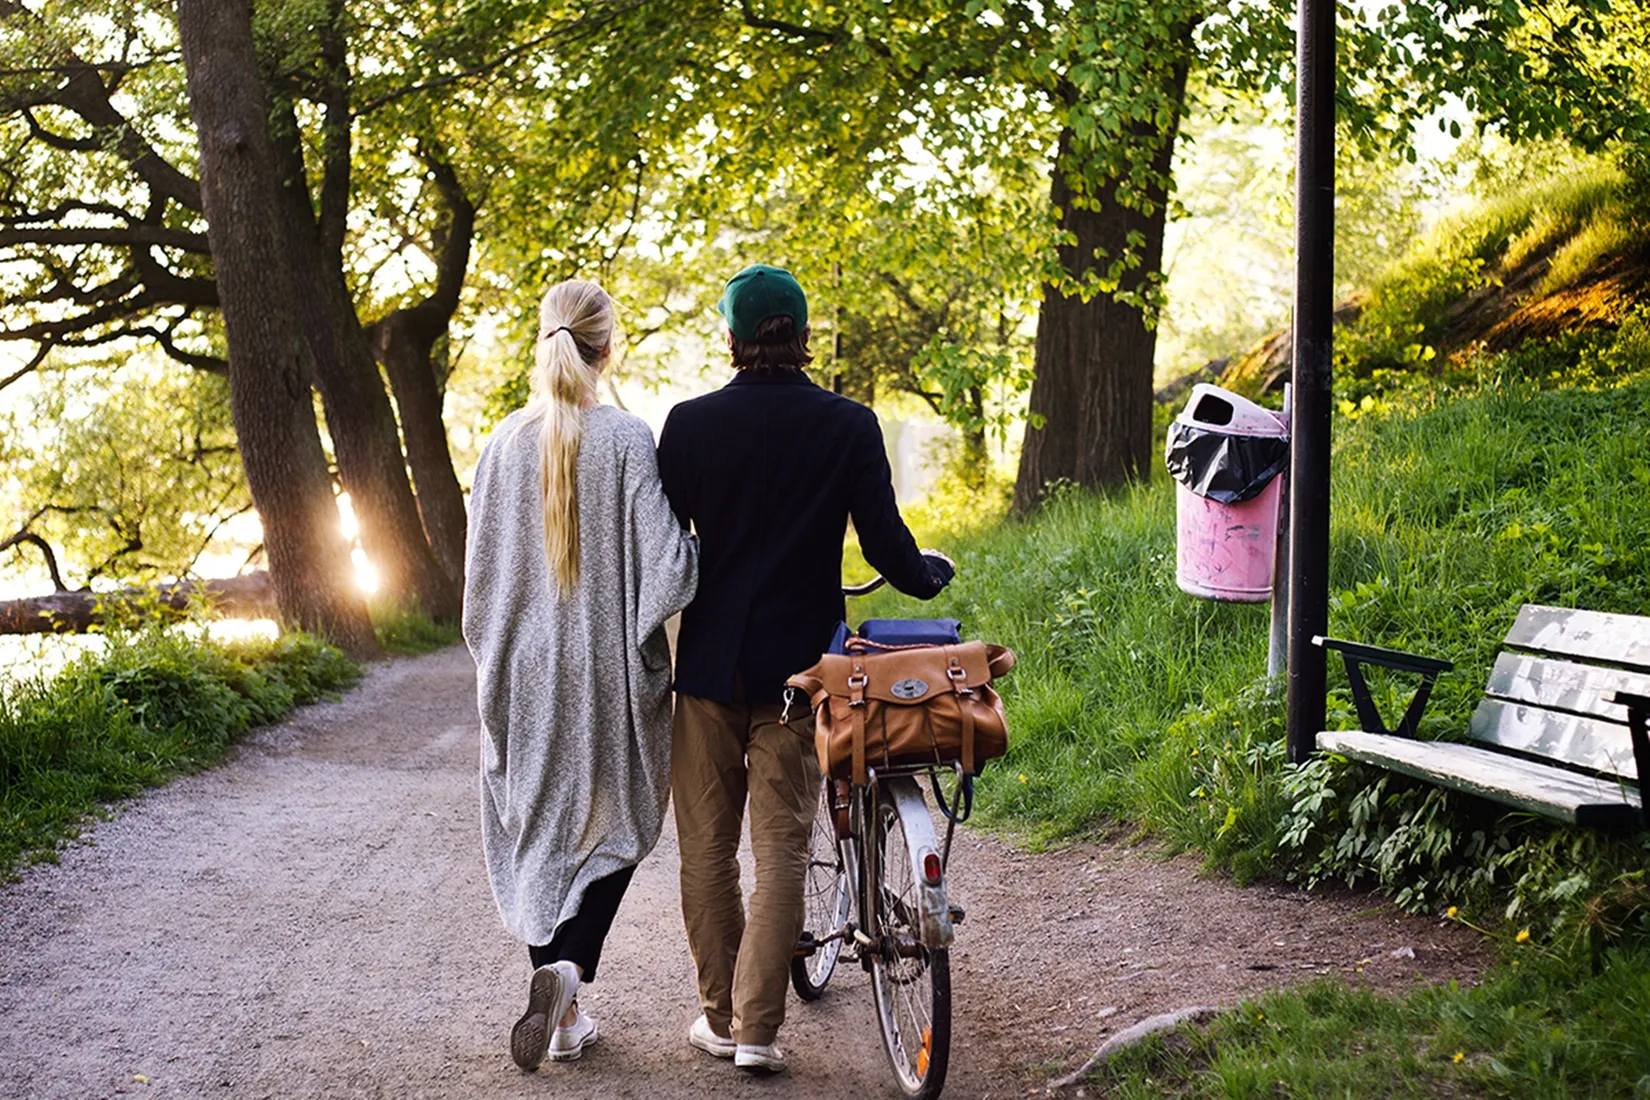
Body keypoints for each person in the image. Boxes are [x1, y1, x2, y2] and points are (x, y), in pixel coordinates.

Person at [656, 263, 953, 1074]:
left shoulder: (686, 426)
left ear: (731, 337)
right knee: (783, 846)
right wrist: (931, 574)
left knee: (706, 850)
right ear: (803, 334)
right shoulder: (849, 426)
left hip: (709, 669)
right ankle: (758, 1031)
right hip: (802, 674)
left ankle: (719, 1017)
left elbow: (661, 548)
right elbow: (888, 549)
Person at [462, 278, 699, 1071]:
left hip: (521, 670)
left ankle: (559, 1008)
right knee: (620, 825)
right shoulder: (629, 439)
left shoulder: (499, 446)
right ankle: (567, 975)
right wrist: (708, 549)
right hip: (604, 670)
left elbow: (478, 587)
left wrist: (495, 655)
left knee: (533, 831)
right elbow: (668, 570)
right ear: (608, 345)